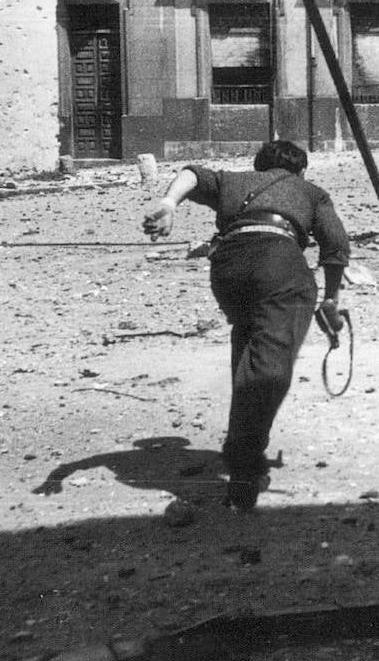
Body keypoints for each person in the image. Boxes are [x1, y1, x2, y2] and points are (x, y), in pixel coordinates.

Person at [141, 140, 349, 511]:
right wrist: (331, 301)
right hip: (280, 264)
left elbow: (191, 173)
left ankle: (247, 448)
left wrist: (169, 204)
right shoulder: (311, 191)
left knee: (249, 343)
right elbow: (335, 246)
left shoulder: (233, 180)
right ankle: (243, 466)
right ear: (300, 170)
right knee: (270, 366)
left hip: (228, 269)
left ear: (259, 166)